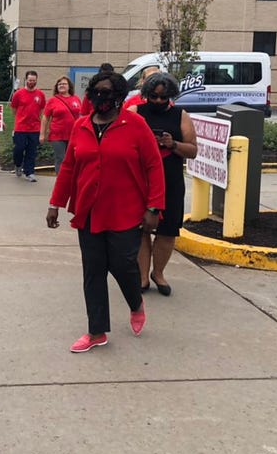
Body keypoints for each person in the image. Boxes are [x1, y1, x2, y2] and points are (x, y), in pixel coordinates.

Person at [46, 71, 165, 353]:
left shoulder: (135, 125)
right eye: (96, 91)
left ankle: (135, 303)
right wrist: (55, 203)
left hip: (125, 210)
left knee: (123, 265)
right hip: (88, 211)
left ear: (119, 97)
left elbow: (154, 166)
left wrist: (154, 207)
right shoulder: (81, 126)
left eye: (107, 92)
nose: (100, 96)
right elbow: (69, 168)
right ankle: (96, 331)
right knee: (94, 270)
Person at [130, 72, 198, 296]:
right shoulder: (135, 113)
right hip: (141, 182)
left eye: (164, 97)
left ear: (171, 96)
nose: (158, 101)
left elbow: (193, 150)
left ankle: (158, 273)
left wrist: (172, 143)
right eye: (154, 96)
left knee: (168, 231)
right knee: (142, 229)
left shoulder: (181, 116)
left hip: (171, 181)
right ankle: (142, 277)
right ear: (146, 94)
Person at [40, 76, 82, 173]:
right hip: (57, 135)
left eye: (64, 84)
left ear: (69, 86)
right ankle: (61, 180)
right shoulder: (52, 100)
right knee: (61, 158)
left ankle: (70, 180)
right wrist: (42, 134)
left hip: (73, 134)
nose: (61, 85)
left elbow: (81, 115)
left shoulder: (76, 99)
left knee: (72, 159)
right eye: (59, 84)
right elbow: (45, 117)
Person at [10, 70, 46, 182]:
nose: (32, 82)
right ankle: (18, 164)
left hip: (34, 128)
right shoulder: (18, 94)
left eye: (34, 80)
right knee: (19, 149)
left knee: (32, 151)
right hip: (21, 127)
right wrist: (20, 118)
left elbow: (42, 109)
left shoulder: (40, 94)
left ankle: (29, 172)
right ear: (26, 80)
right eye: (30, 80)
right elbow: (14, 109)